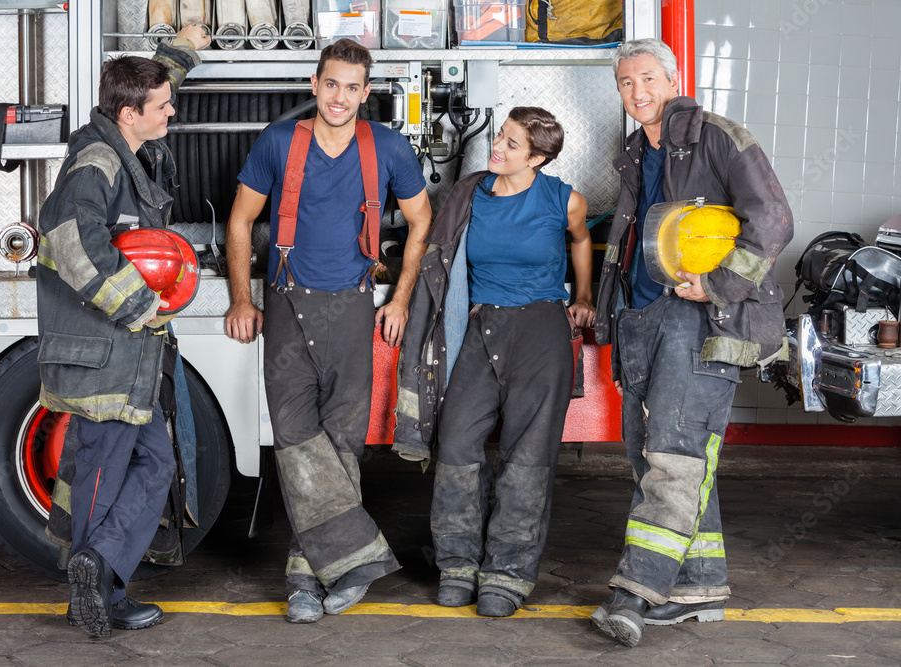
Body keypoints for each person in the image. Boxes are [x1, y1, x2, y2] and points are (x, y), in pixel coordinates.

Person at [590, 38, 793, 646]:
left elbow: (774, 218)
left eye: (647, 78)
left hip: (703, 321)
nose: (637, 93)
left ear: (673, 78)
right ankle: (698, 585)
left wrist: (720, 283)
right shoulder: (633, 151)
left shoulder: (718, 136)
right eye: (626, 83)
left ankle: (635, 594)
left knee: (674, 455)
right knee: (655, 454)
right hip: (642, 316)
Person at [223, 38, 432, 624]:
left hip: (353, 306)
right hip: (286, 302)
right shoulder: (278, 142)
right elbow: (241, 220)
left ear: (367, 94)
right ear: (314, 85)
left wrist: (402, 300)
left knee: (341, 447)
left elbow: (422, 221)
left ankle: (304, 578)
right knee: (295, 440)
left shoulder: (387, 147)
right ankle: (351, 566)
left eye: (353, 88)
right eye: (331, 84)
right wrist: (243, 298)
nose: (340, 97)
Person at [36, 25, 211, 638]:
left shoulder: (123, 136)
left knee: (154, 464)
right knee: (104, 471)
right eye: (163, 106)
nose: (172, 112)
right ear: (129, 113)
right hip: (106, 351)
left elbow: (149, 88)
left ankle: (97, 566)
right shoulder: (97, 161)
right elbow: (68, 242)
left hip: (125, 355)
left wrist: (178, 58)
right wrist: (139, 305)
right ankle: (97, 591)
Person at [419, 107, 594, 618]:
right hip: (482, 325)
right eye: (500, 135)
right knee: (456, 442)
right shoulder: (472, 193)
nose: (497, 147)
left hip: (541, 330)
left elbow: (581, 240)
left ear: (537, 157)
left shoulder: (564, 199)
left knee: (527, 455)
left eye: (512, 144)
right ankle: (457, 563)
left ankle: (507, 573)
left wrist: (581, 294)